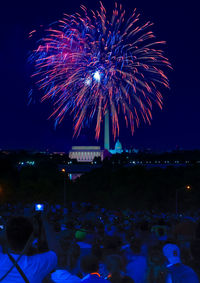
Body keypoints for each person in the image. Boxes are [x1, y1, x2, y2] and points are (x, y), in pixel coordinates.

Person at [0, 215, 57, 282]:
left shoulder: (1, 260)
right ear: (32, 238)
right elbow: (56, 252)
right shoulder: (38, 264)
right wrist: (45, 221)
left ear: (6, 237)